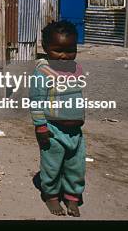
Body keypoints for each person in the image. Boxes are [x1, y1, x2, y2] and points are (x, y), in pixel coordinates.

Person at [30, 20, 86, 217]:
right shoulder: (43, 72)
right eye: (58, 50)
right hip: (53, 131)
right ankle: (51, 196)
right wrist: (40, 127)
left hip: (76, 132)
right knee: (52, 166)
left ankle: (72, 198)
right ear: (45, 48)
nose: (64, 56)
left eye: (70, 50)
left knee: (76, 166)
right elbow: (36, 100)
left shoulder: (75, 68)